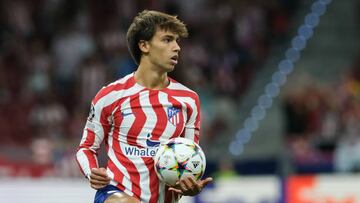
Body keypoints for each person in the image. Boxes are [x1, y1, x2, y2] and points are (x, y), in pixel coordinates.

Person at [76, 10, 213, 203]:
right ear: (144, 45)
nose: (176, 48)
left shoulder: (189, 100)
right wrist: (92, 172)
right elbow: (86, 148)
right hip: (115, 193)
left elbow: (190, 156)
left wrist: (189, 185)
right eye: (167, 40)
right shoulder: (110, 96)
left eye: (177, 41)